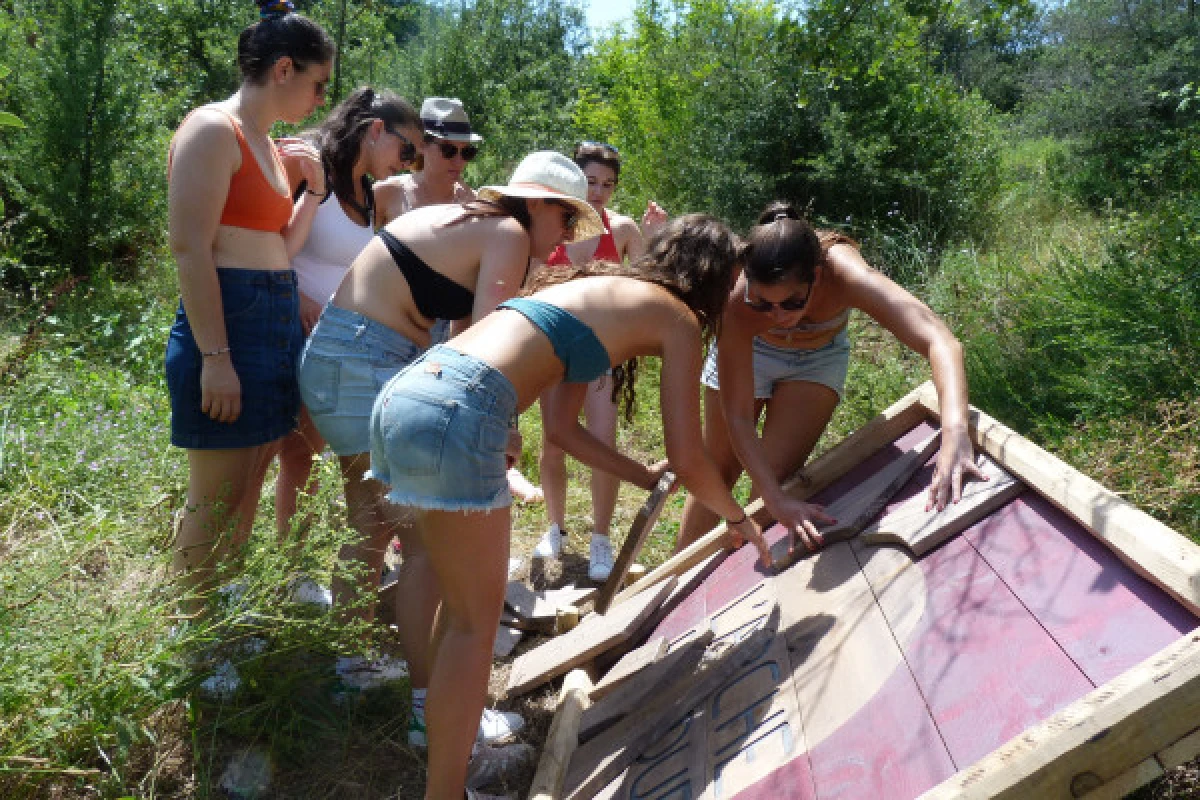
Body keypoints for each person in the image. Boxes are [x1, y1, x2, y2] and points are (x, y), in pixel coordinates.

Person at [367, 213, 773, 800]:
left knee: (460, 608)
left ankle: (437, 740)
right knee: (473, 623)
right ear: (714, 279)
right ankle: (445, 790)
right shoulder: (679, 317)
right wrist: (738, 518)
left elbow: (561, 430)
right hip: (460, 406)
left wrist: (638, 475)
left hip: (409, 392)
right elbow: (691, 456)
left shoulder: (590, 292)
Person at [296, 150, 602, 758]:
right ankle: (428, 710)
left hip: (338, 359)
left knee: (372, 521)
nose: (564, 239)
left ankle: (355, 671)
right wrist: (500, 432)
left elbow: (458, 339)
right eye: (565, 221)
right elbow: (487, 352)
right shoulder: (510, 234)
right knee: (433, 545)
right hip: (362, 363)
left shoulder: (473, 223)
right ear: (539, 204)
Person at [676, 202, 983, 556]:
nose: (777, 316)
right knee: (719, 470)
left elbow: (940, 340)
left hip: (815, 360)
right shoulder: (737, 298)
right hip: (751, 353)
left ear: (816, 278)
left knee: (773, 482)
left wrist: (955, 432)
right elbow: (739, 416)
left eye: (791, 303)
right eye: (763, 304)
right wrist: (776, 501)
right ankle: (667, 585)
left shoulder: (846, 273)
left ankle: (742, 572)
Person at [164, 0, 334, 620]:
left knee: (244, 491)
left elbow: (278, 247)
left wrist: (311, 191)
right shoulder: (214, 129)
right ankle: (194, 638)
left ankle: (219, 618)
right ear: (284, 69)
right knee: (213, 499)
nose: (321, 99)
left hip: (270, 321)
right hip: (228, 325)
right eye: (319, 83)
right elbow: (190, 248)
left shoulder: (266, 142)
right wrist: (216, 358)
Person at [272, 86, 424, 546]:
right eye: (407, 148)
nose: (409, 161)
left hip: (336, 345)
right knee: (294, 456)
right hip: (286, 327)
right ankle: (289, 567)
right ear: (377, 130)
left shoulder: (370, 190)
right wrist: (301, 302)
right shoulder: (308, 163)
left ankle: (317, 561)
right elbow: (262, 244)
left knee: (322, 455)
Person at [376, 97, 543, 504]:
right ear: (422, 146)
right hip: (389, 322)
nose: (459, 160)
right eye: (448, 149)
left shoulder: (469, 203)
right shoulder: (388, 193)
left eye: (468, 151)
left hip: (445, 325)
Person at [531, 140, 668, 580]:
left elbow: (646, 286)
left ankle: (601, 539)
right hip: (549, 350)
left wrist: (654, 237)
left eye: (607, 184)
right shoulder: (551, 224)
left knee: (601, 445)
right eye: (590, 181)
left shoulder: (622, 228)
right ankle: (555, 526)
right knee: (554, 443)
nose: (598, 192)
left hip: (603, 353)